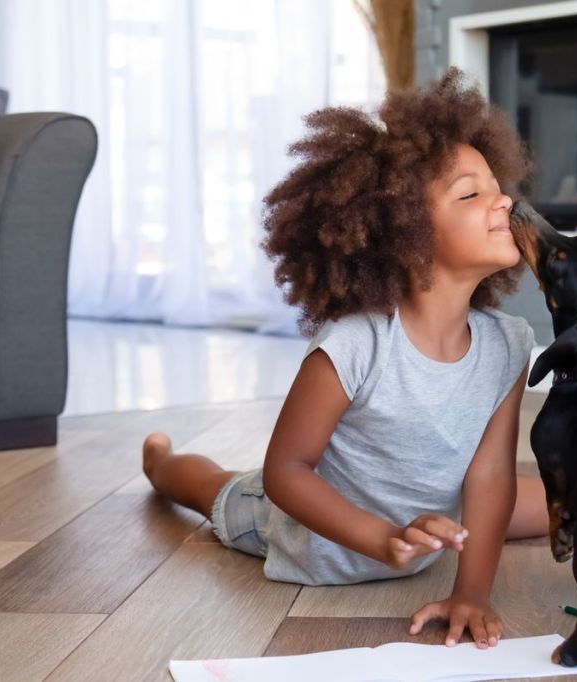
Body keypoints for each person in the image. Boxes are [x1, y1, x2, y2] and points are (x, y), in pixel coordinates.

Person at [142, 67, 549, 650]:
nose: (503, 200)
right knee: (213, 487)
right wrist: (382, 537)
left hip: (428, 522)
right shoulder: (357, 342)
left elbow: (488, 476)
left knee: (542, 498)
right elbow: (286, 472)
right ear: (405, 234)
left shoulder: (508, 342)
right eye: (471, 193)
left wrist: (472, 594)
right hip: (307, 535)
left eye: (496, 185)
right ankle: (159, 459)